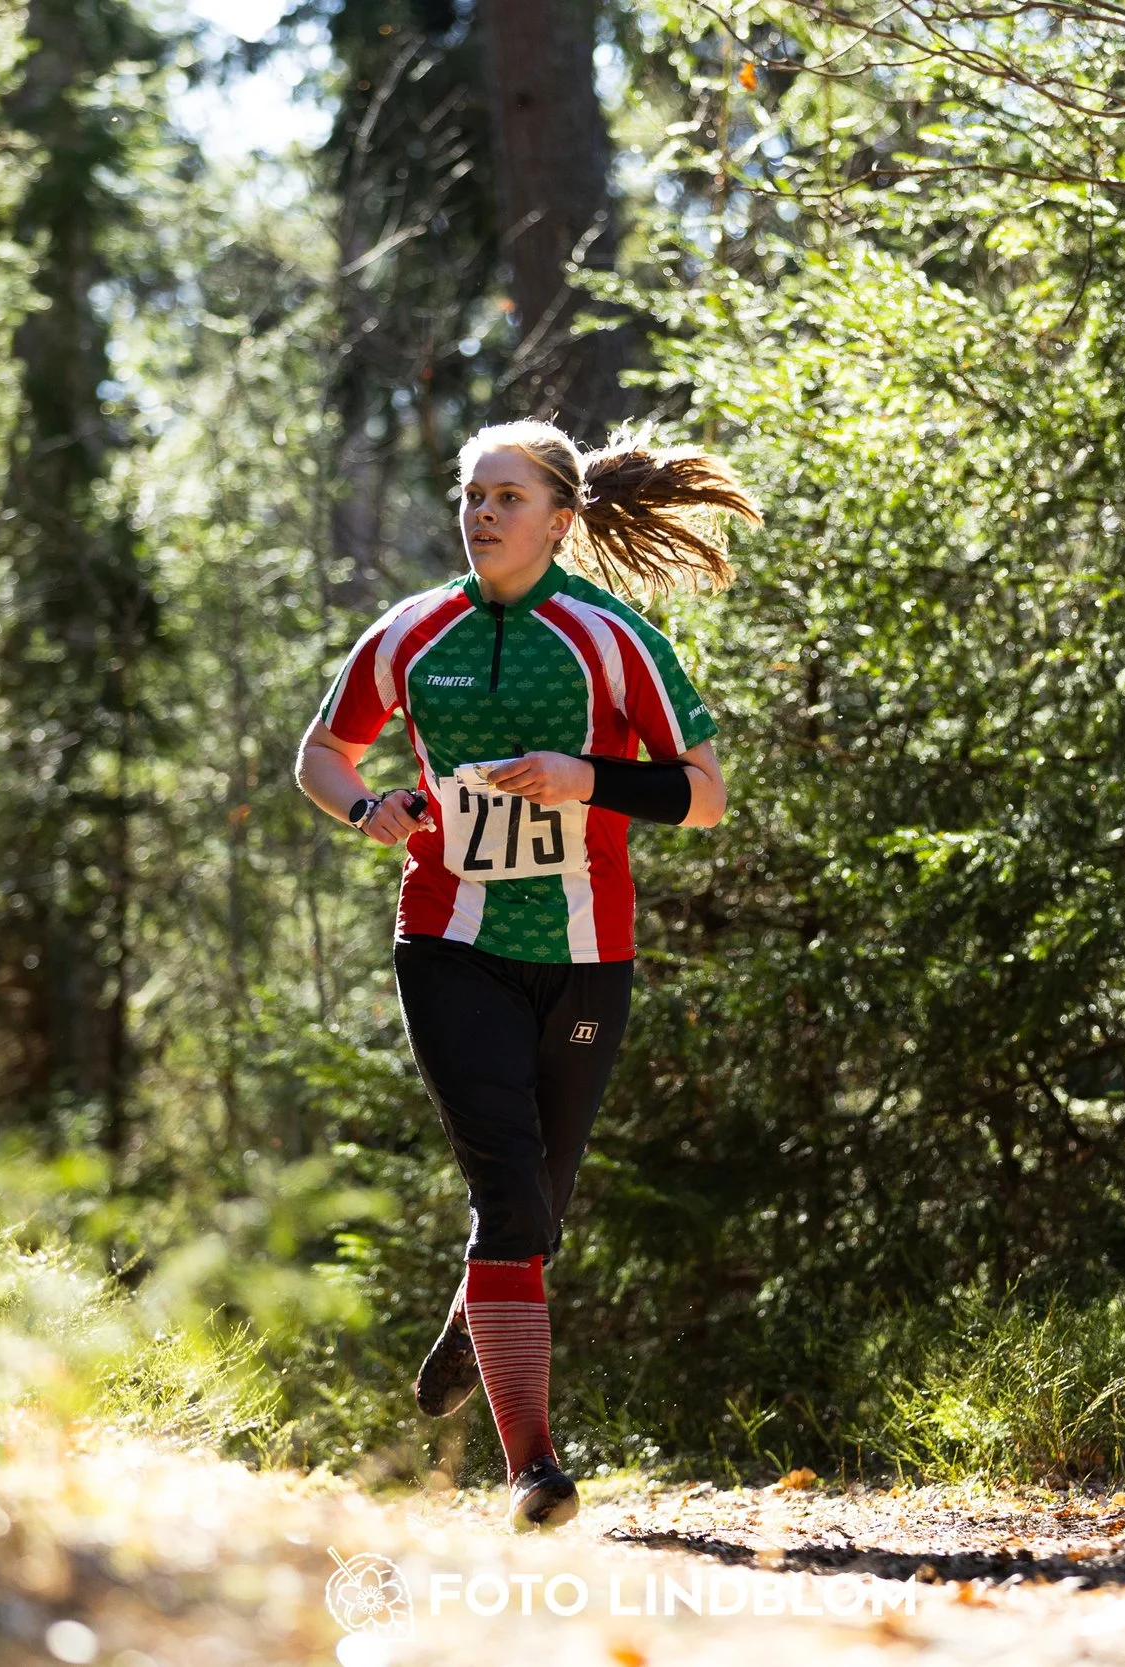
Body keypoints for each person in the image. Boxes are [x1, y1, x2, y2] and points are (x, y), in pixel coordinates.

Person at [295, 419, 757, 1530]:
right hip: (448, 941)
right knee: (509, 1190)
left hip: (588, 954)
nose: (483, 512)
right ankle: (533, 1465)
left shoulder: (612, 637)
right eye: (471, 494)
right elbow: (321, 753)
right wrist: (370, 806)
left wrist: (583, 775)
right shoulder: (411, 630)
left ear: (559, 517)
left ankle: (482, 1298)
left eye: (506, 496)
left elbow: (701, 794)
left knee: (536, 1204)